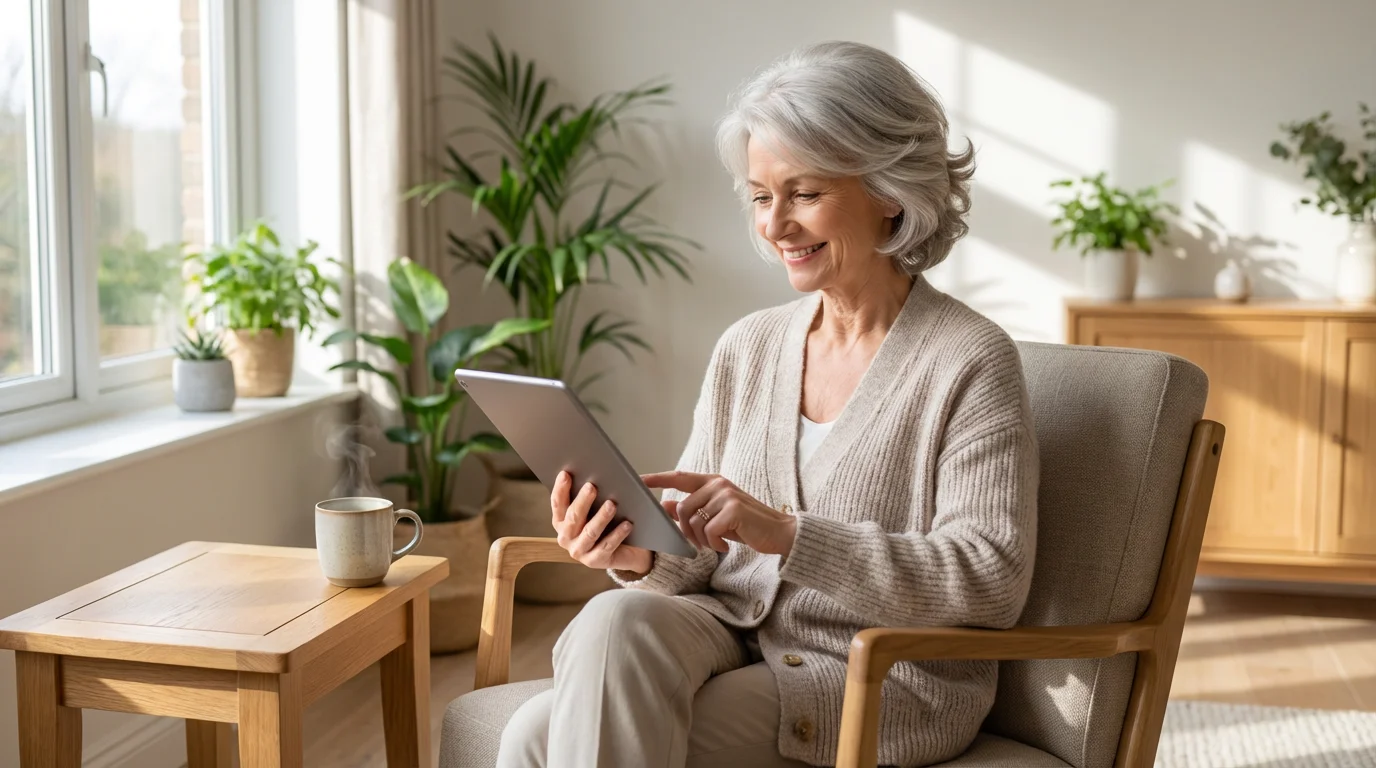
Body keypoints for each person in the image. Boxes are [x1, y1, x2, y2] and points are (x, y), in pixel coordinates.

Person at [497, 40, 1038, 768]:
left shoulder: (969, 360)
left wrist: (788, 533)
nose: (773, 224)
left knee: (535, 738)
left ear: (890, 190)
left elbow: (988, 579)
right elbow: (692, 564)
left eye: (804, 193)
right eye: (760, 195)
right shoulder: (748, 346)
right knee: (616, 614)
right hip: (727, 636)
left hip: (873, 676)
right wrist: (634, 553)